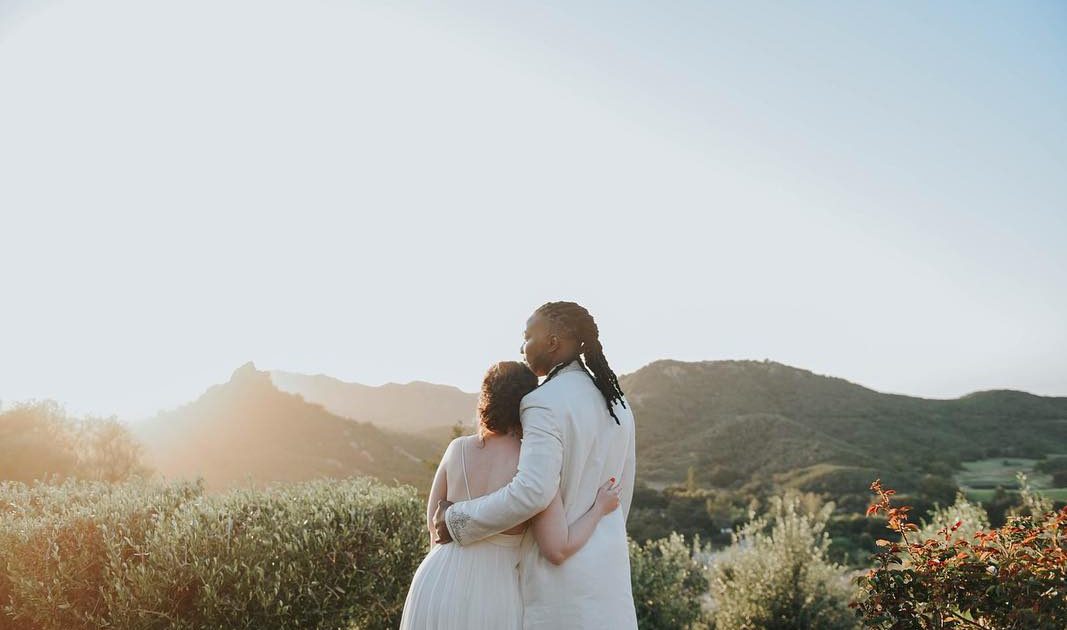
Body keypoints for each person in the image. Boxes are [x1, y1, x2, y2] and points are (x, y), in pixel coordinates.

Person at [434, 301, 638, 629]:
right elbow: (622, 492)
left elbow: (532, 491)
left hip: (557, 586)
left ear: (553, 342)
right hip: (609, 582)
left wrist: (457, 519)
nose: (522, 347)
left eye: (527, 336)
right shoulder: (619, 404)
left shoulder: (542, 402)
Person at [399, 360, 623, 629]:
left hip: (434, 581)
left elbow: (434, 527)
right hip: (492, 595)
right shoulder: (535, 465)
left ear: (485, 399)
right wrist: (599, 508)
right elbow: (557, 549)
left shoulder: (456, 449)